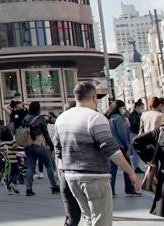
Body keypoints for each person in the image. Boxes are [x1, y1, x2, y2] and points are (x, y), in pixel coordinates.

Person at [54, 81, 142, 226]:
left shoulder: (62, 118)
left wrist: (61, 172)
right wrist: (131, 172)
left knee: (88, 218)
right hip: (95, 176)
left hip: (71, 176)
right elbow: (111, 149)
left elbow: (58, 150)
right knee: (101, 220)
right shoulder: (95, 117)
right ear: (94, 98)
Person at [21, 101, 60, 196]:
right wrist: (51, 145)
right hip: (40, 145)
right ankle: (54, 186)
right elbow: (46, 134)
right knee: (49, 165)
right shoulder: (40, 119)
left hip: (28, 146)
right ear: (38, 109)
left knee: (31, 167)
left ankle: (29, 189)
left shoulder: (25, 118)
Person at [104, 101, 138, 198]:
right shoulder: (119, 118)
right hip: (121, 146)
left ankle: (111, 190)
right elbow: (122, 134)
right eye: (123, 108)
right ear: (118, 108)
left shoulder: (108, 118)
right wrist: (127, 146)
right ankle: (129, 189)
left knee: (112, 170)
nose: (124, 110)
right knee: (128, 168)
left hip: (111, 146)